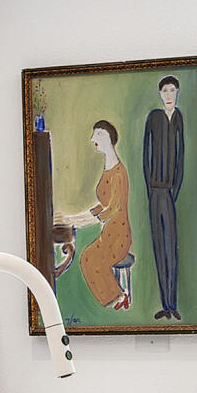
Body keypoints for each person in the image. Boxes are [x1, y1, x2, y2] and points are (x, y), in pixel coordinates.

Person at [56, 118, 135, 312]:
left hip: (119, 236)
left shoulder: (119, 173)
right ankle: (119, 296)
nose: (93, 139)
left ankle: (119, 296)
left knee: (90, 258)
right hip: (108, 233)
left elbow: (111, 210)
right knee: (88, 258)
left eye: (98, 134)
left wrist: (79, 223)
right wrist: (71, 219)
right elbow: (101, 205)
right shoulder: (108, 169)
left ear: (109, 138)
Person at [141, 75, 186, 321]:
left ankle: (172, 304)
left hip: (169, 192)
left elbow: (181, 155)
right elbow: (145, 153)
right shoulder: (153, 118)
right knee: (159, 247)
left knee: (171, 247)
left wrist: (174, 190)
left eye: (172, 90)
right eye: (165, 91)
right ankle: (164, 304)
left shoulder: (178, 118)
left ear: (177, 93)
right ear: (160, 94)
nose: (169, 95)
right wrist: (150, 188)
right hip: (155, 191)